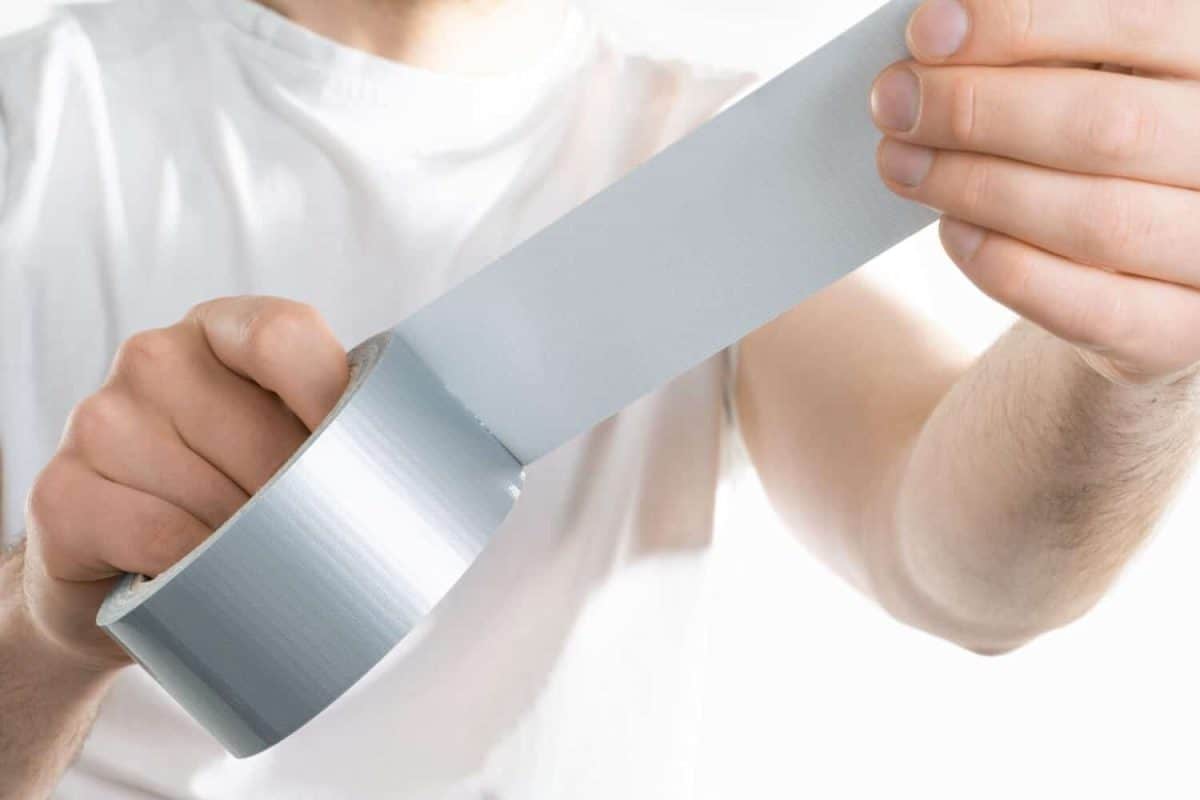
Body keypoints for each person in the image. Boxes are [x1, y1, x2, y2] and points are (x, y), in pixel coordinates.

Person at [3, 0, 1200, 796]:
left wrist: (1136, 369)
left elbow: (960, 568)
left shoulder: (705, 163)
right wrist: (46, 634)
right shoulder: (32, 131)